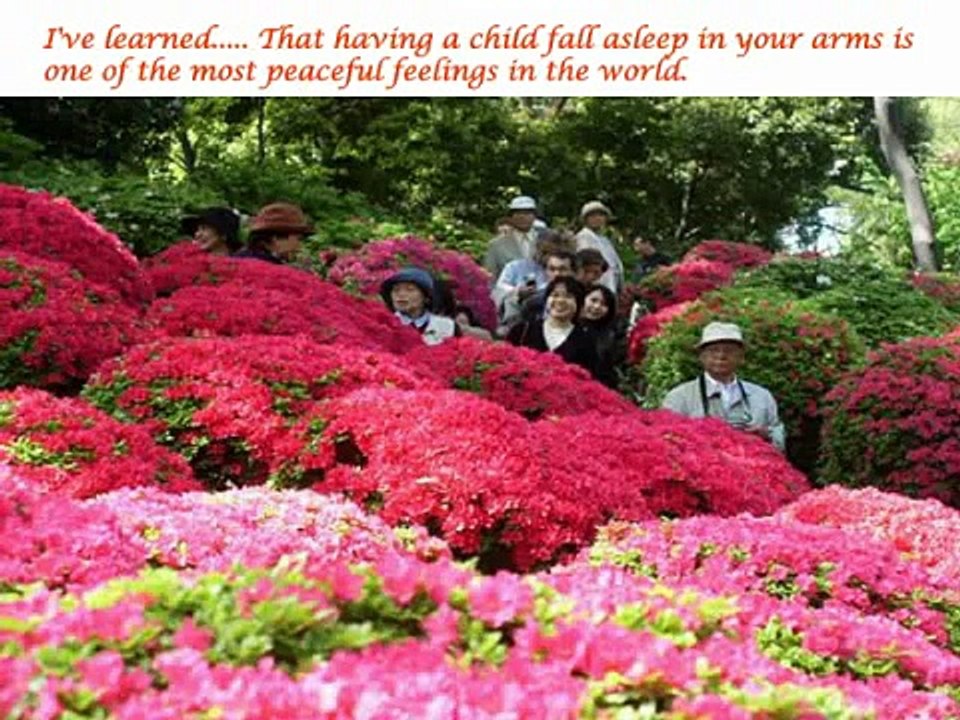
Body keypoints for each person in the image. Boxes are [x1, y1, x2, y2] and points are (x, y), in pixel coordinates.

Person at [661, 322, 785, 452]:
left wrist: (766, 436)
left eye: (729, 350)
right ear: (701, 357)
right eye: (714, 350)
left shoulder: (762, 396)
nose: (721, 356)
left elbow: (779, 440)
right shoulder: (679, 397)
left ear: (741, 357)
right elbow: (666, 443)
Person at [507, 276, 598, 378]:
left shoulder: (585, 340)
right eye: (555, 295)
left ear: (579, 304)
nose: (560, 300)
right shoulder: (521, 331)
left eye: (568, 296)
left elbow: (590, 378)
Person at [380, 267, 460, 346]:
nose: (401, 294)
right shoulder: (383, 325)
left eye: (410, 289)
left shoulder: (447, 326)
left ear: (426, 297)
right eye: (396, 290)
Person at [483, 195, 542, 281]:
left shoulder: (545, 241)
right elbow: (490, 277)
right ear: (511, 216)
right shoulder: (496, 245)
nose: (522, 217)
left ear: (534, 216)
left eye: (527, 213)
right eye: (518, 213)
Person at [233, 202, 312, 264]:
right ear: (277, 238)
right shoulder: (266, 266)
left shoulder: (239, 258)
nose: (299, 247)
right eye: (298, 239)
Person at [575, 200, 624, 293]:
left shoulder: (605, 240)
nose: (597, 218)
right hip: (595, 287)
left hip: (611, 286)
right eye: (593, 216)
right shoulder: (583, 237)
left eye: (601, 215)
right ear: (586, 219)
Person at [580, 284, 621, 388]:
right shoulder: (568, 327)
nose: (597, 306)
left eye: (603, 304)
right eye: (593, 300)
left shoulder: (610, 336)